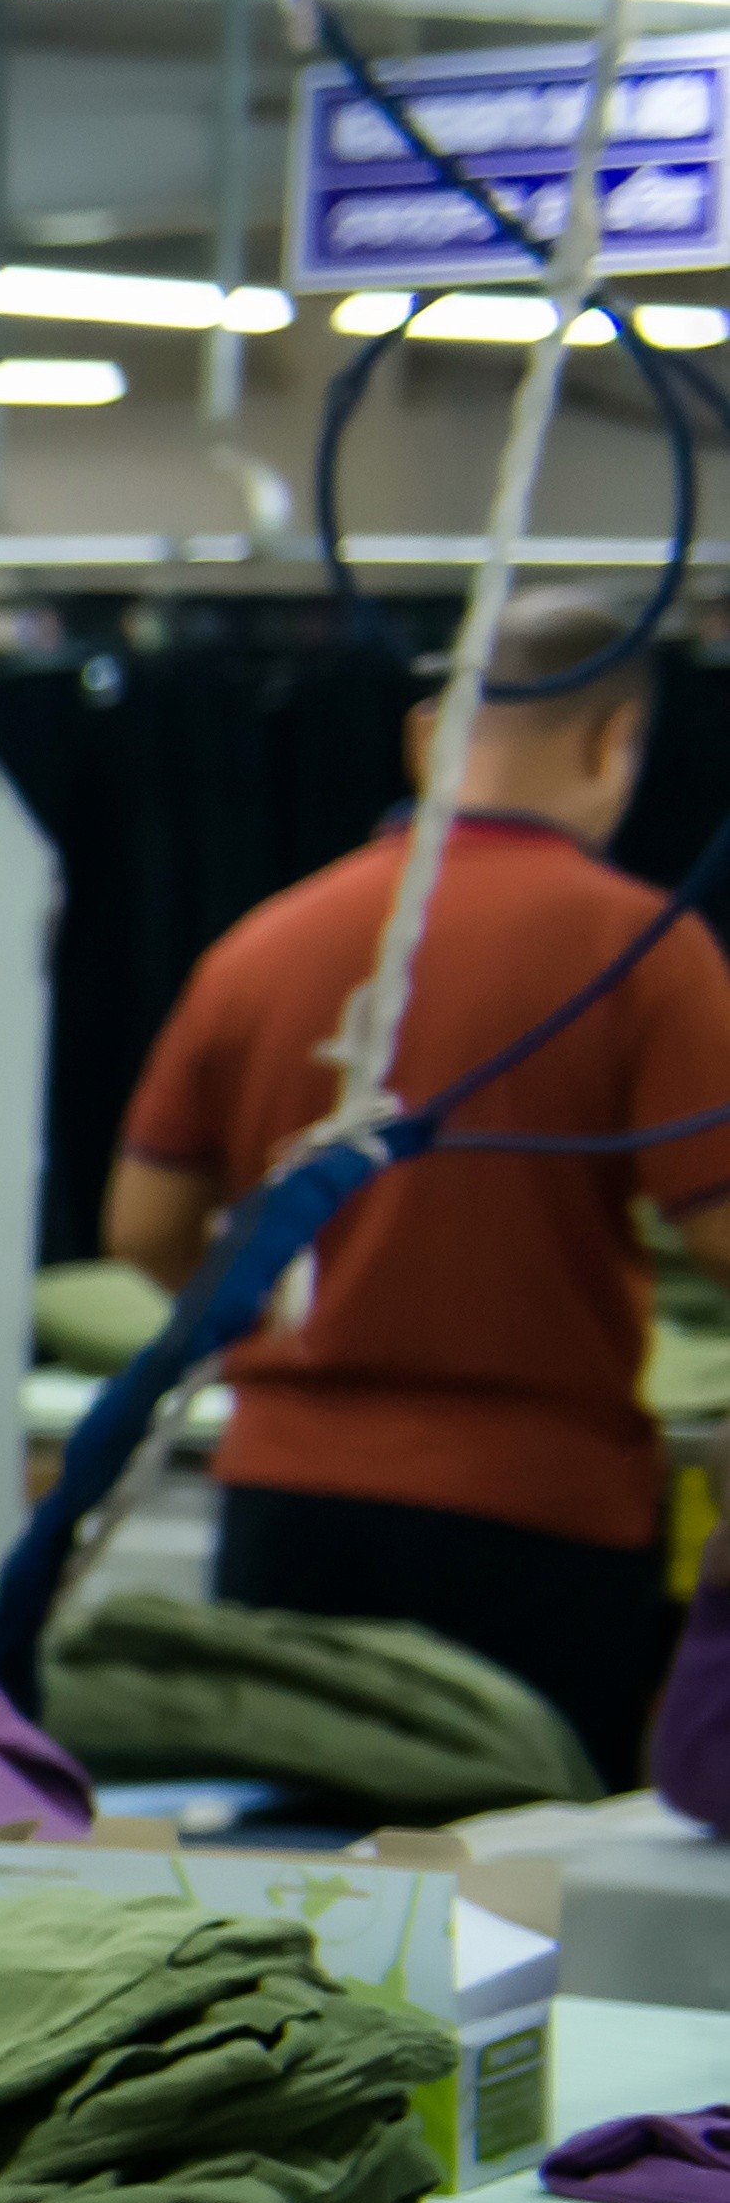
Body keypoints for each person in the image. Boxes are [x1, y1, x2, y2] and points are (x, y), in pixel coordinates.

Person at [102, 592, 730, 1783]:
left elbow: (140, 1228)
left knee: (297, 1897)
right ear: (614, 744)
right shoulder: (635, 952)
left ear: (418, 736)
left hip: (281, 1505)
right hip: (527, 1520)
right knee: (507, 1906)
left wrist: (294, 1320)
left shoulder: (259, 944)